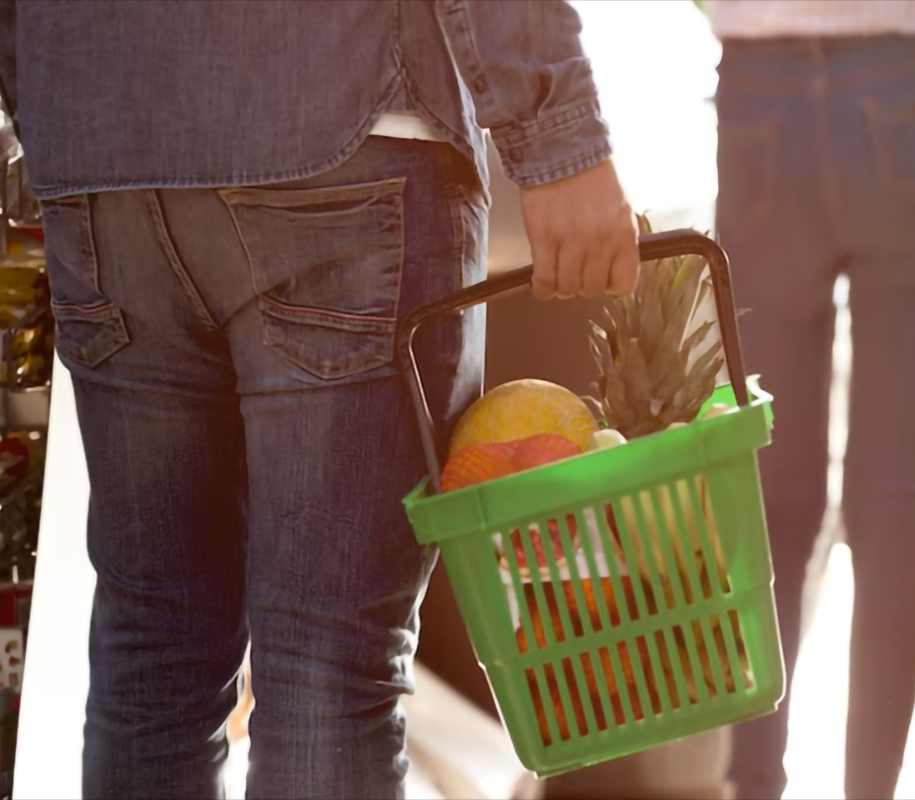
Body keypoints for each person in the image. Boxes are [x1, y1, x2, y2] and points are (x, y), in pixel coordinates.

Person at [0, 1, 637, 797]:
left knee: (153, 651)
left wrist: (62, 106)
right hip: (342, 122)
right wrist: (558, 139)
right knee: (326, 671)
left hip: (101, 138)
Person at [708, 1, 915, 798]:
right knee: (891, 510)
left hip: (762, 98)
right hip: (911, 84)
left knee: (770, 502)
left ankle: (752, 788)